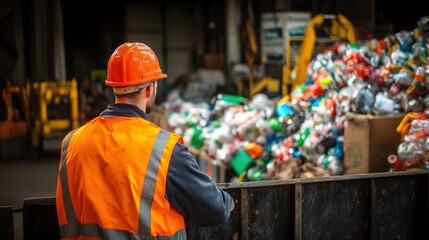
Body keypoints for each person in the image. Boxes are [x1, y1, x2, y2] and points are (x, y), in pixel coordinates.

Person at [56, 42, 234, 239]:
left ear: (114, 87)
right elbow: (215, 209)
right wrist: (229, 201)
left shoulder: (72, 143)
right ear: (150, 89)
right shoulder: (164, 150)